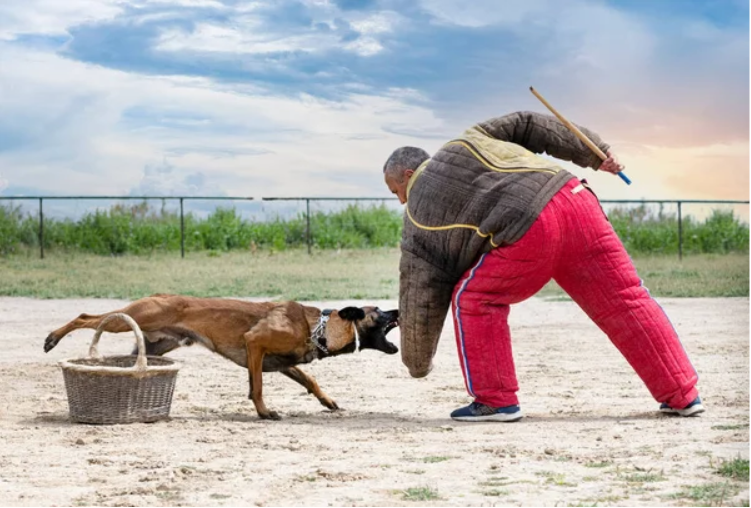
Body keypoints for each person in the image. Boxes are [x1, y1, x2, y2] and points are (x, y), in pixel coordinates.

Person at [382, 111, 703, 422]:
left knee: (474, 298)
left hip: (530, 227)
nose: (400, 201)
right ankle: (682, 394)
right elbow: (529, 123)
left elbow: (420, 294)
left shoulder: (416, 217)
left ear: (408, 176)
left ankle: (496, 401)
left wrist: (417, 363)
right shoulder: (469, 140)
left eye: (396, 190)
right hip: (577, 199)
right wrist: (595, 151)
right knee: (625, 298)